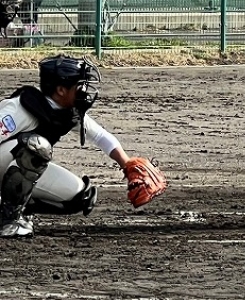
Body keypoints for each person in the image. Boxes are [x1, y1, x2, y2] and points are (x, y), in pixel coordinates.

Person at [0, 54, 167, 237]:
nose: (85, 90)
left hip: (12, 167)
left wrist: (126, 163)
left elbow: (101, 136)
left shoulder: (67, 111)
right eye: (80, 85)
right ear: (61, 90)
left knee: (80, 197)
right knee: (36, 148)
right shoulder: (19, 109)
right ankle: (8, 221)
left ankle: (15, 209)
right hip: (4, 161)